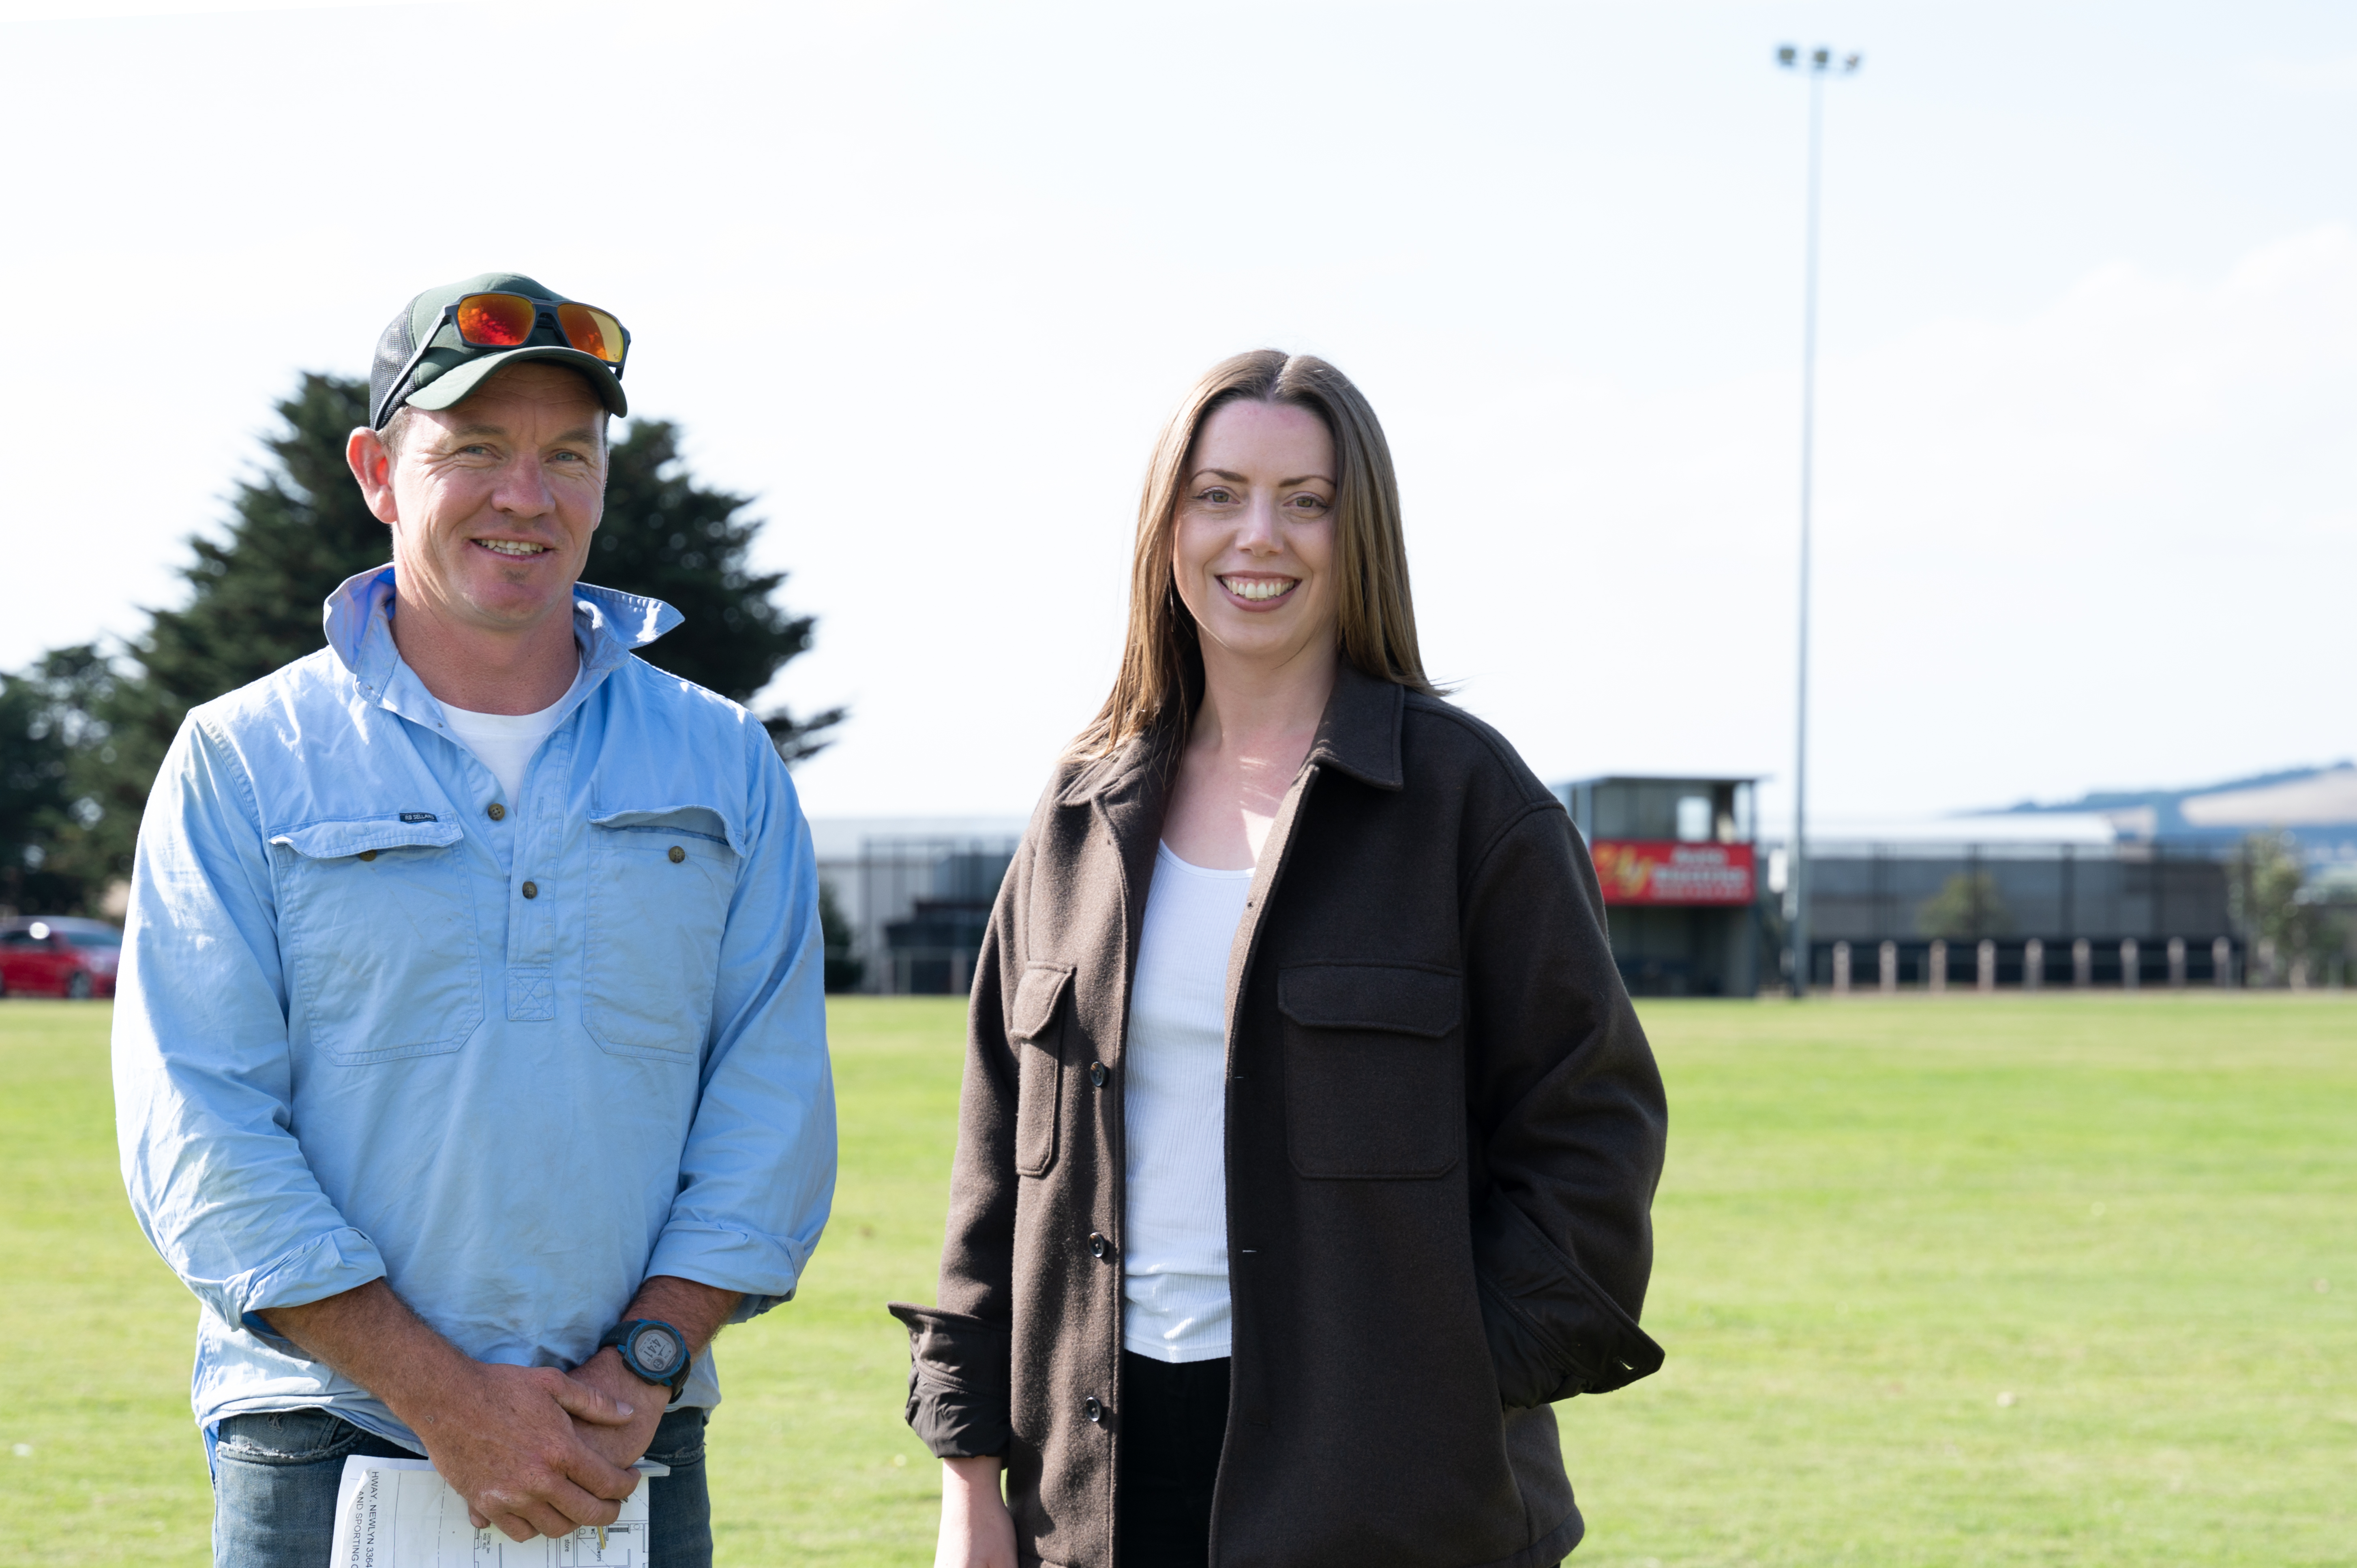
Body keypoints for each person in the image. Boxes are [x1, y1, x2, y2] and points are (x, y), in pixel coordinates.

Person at [891, 350, 1669, 1568]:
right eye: (1219, 493)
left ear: (1359, 535)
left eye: (1306, 499)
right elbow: (995, 1176)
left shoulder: (1473, 805)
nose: (1260, 535)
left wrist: (1455, 1397)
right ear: (1168, 526)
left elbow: (1592, 1136)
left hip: (1386, 1499)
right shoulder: (1078, 814)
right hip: (1093, 1487)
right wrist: (969, 1481)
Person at [113, 272, 836, 1568]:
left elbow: (770, 1105)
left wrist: (649, 1358)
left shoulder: (724, 762)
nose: (527, 494)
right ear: (378, 472)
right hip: (321, 1432)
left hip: (630, 1433)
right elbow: (200, 1127)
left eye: (570, 454)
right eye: (475, 451)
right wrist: (444, 1397)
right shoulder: (242, 756)